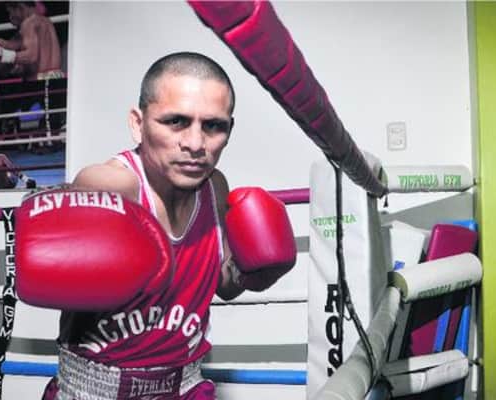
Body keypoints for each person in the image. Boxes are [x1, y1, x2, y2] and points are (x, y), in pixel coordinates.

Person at [15, 52, 297, 399]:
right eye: (176, 121)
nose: (195, 144)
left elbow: (224, 285)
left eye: (213, 125)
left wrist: (251, 271)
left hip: (185, 388)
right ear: (138, 123)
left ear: (229, 130)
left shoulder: (214, 187)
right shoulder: (112, 186)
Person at [0, 1, 64, 81]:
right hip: (57, 77)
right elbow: (2, 67)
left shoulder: (28, 23)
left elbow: (31, 56)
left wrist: (3, 54)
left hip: (38, 81)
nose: (10, 18)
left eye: (10, 12)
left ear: (20, 7)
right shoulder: (47, 22)